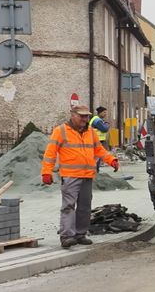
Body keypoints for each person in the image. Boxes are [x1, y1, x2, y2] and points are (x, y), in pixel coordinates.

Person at [41, 105, 119, 248]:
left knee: (85, 207)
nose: (85, 119)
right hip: (70, 176)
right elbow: (50, 153)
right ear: (73, 116)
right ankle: (67, 236)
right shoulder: (61, 131)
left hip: (87, 175)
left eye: (87, 116)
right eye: (82, 116)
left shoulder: (90, 132)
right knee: (68, 206)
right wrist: (47, 171)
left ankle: (80, 234)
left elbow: (99, 149)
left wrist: (111, 160)